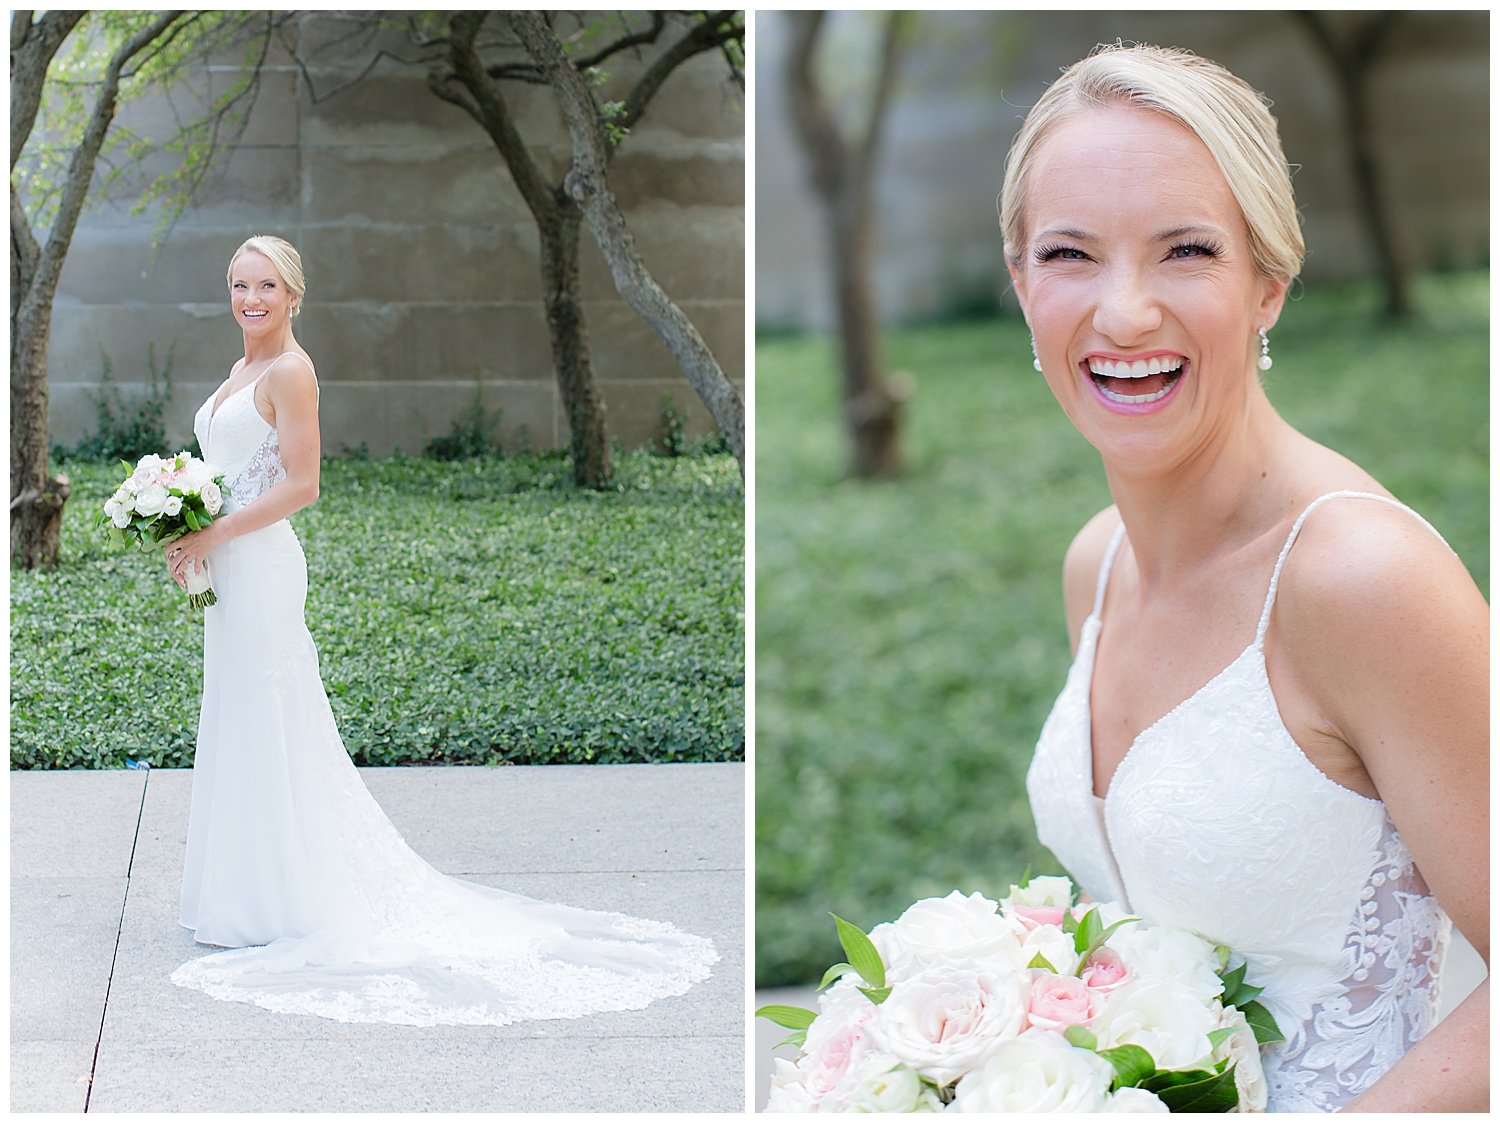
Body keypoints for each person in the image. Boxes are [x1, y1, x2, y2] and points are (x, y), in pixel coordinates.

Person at [1008, 46, 1487, 1111]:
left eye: (1185, 250)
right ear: (1021, 282)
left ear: (1269, 280)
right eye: (1070, 254)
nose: (1125, 313)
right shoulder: (1097, 565)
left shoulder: (1363, 580)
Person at [163, 234, 716, 1024]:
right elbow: (224, 477)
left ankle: (284, 896)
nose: (249, 299)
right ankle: (243, 887)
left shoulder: (292, 371)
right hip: (230, 571)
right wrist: (184, 531)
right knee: (240, 719)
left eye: (265, 286)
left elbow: (303, 485)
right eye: (238, 285)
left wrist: (214, 535)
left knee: (273, 718)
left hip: (266, 569)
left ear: (294, 295)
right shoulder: (237, 374)